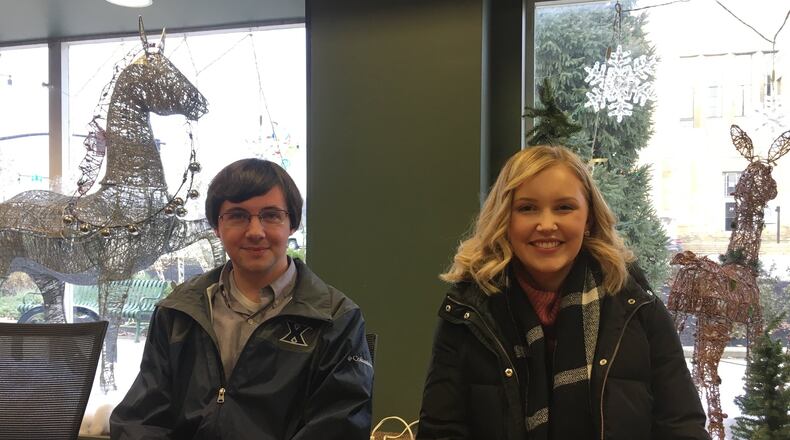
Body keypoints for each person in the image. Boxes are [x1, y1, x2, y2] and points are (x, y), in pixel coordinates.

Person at [417, 146, 709, 440]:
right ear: (505, 220)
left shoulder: (638, 306)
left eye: (564, 207)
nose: (546, 225)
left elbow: (682, 426)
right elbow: (440, 431)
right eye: (527, 208)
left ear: (589, 219)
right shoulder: (468, 313)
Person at [111, 158, 373, 439]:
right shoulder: (178, 311)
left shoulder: (335, 318)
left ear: (292, 224)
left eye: (271, 215)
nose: (256, 232)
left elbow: (339, 428)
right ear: (217, 227)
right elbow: (140, 419)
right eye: (237, 215)